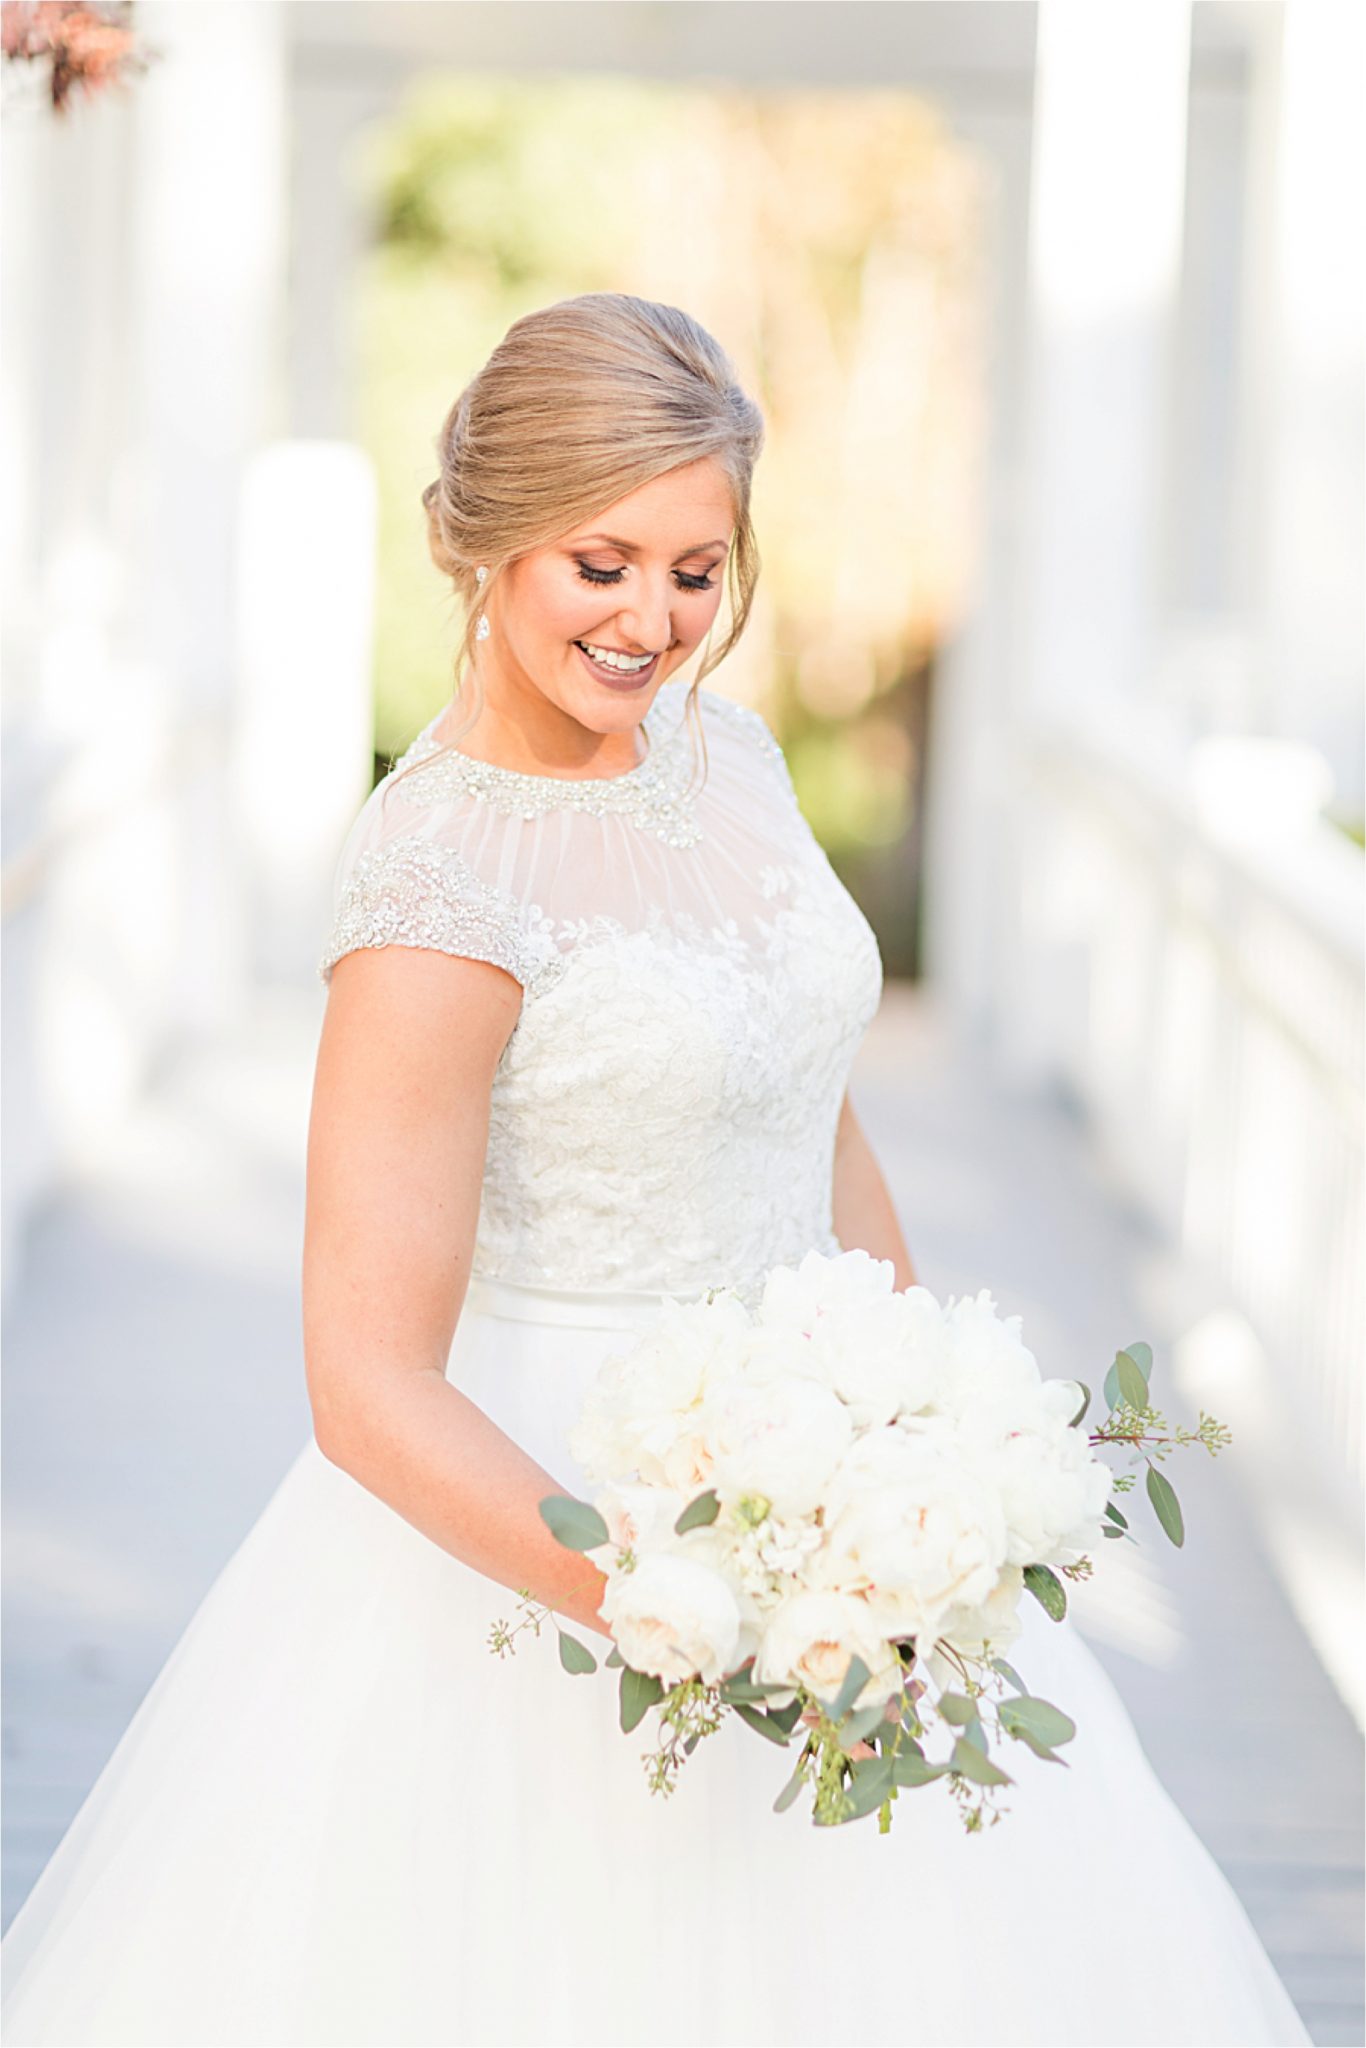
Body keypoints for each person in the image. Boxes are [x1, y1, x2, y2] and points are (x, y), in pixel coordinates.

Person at [1, 293, 1311, 2048]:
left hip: (834, 1497)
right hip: (555, 1524)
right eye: (598, 563)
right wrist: (662, 1598)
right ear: (486, 539)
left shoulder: (736, 758)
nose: (652, 622)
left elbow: (812, 1112)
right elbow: (366, 1381)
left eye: (696, 570)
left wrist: (918, 1452)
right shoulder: (438, 882)